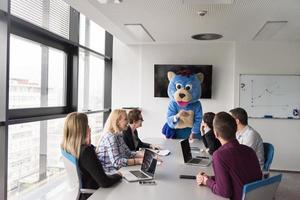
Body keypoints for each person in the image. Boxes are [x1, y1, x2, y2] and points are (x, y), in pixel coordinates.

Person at [196, 112, 262, 200]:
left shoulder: (219, 155)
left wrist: (207, 182)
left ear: (216, 134)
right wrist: (210, 178)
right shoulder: (249, 150)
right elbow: (236, 176)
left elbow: (224, 192)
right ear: (235, 130)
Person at [61, 112, 122, 200]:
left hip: (81, 193)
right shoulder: (86, 151)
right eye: (87, 125)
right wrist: (119, 175)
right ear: (82, 129)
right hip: (93, 194)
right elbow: (104, 182)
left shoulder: (67, 147)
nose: (89, 128)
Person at [97, 109, 144, 174]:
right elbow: (117, 162)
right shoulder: (111, 137)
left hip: (120, 170)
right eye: (125, 119)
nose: (128, 122)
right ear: (117, 121)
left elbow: (128, 154)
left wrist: (144, 155)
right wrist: (138, 161)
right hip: (110, 173)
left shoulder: (119, 135)